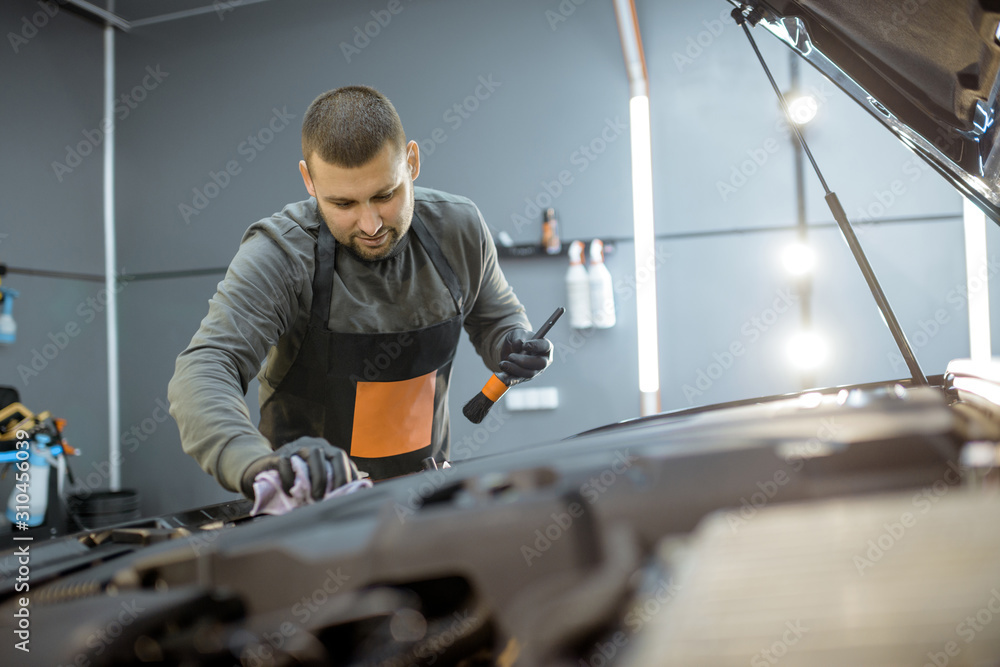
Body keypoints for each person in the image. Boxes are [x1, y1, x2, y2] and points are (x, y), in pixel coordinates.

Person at [168, 85, 553, 501]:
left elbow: (497, 319)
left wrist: (513, 342)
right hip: (309, 509)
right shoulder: (280, 254)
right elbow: (207, 367)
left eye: (385, 195)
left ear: (412, 161)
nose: (370, 224)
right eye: (343, 204)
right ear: (308, 181)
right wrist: (259, 465)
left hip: (427, 496)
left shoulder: (458, 228)